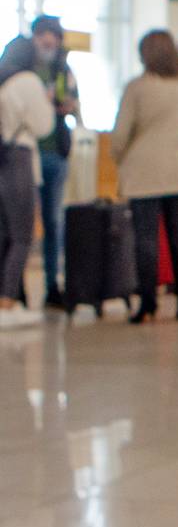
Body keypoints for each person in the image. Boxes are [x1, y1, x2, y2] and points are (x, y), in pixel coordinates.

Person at [111, 30, 178, 323]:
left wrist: (119, 158)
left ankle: (147, 303)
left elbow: (120, 135)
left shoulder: (137, 88)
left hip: (144, 172)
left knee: (145, 238)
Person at [0, 36, 52, 322]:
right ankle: (7, 300)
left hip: (1, 158)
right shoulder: (27, 82)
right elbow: (44, 125)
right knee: (22, 234)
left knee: (3, 233)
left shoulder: (2, 79)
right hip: (18, 157)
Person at [29, 16, 78, 310]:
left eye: (54, 36)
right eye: (44, 34)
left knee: (53, 221)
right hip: (26, 154)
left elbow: (73, 102)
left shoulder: (63, 69)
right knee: (19, 225)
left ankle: (52, 285)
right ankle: (15, 290)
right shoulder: (21, 69)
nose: (49, 41)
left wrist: (67, 104)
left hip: (56, 153)